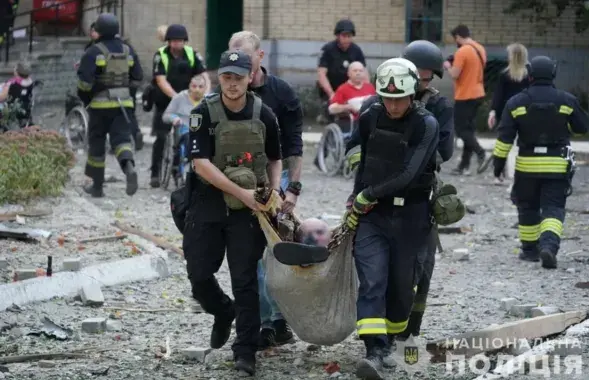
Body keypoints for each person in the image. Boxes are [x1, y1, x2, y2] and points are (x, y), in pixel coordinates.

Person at [183, 49, 283, 376]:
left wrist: (273, 191)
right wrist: (242, 193)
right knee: (199, 275)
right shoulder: (203, 113)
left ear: (249, 77)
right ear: (219, 77)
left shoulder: (264, 114)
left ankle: (245, 352)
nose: (232, 83)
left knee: (244, 280)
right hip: (208, 204)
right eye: (226, 76)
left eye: (238, 77)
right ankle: (223, 311)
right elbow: (200, 163)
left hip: (246, 213)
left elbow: (274, 158)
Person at [345, 57, 439, 379]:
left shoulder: (425, 124)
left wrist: (367, 195)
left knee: (401, 287)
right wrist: (355, 197)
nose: (393, 104)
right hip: (373, 215)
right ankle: (374, 349)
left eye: (400, 98)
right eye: (387, 97)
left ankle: (397, 336)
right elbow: (360, 154)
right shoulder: (370, 115)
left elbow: (408, 174)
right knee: (372, 279)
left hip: (411, 215)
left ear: (412, 94)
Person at [227, 30, 304, 350]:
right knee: (249, 255)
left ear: (260, 57)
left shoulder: (282, 94)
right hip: (236, 181)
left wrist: (292, 190)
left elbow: (294, 145)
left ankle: (276, 319)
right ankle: (264, 320)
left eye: (245, 57)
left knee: (272, 252)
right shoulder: (227, 94)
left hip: (275, 178)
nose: (238, 66)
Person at [492, 55, 588, 269]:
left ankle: (529, 250)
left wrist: (498, 166)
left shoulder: (516, 102)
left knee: (527, 207)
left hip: (527, 167)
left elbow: (504, 138)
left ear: (530, 74)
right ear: (553, 73)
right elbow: (582, 127)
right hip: (557, 166)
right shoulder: (567, 100)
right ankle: (549, 247)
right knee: (553, 208)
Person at [77, 13, 143, 198]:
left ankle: (97, 187)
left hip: (99, 106)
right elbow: (138, 77)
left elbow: (84, 84)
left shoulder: (93, 51)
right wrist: (126, 93)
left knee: (97, 144)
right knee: (121, 140)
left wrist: (86, 99)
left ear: (98, 30)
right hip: (123, 105)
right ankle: (129, 167)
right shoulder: (128, 49)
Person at [150, 24, 209, 188]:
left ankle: (188, 170)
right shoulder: (160, 55)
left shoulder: (193, 54)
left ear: (185, 41)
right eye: (174, 40)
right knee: (161, 137)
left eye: (180, 40)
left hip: (189, 99)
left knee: (192, 136)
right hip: (166, 101)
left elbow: (204, 76)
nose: (177, 43)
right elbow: (161, 80)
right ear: (168, 41)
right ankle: (155, 173)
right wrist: (177, 98)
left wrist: (205, 93)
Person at [444, 24, 488, 175]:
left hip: (465, 95)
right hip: (479, 93)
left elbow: (455, 74)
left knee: (461, 129)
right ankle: (464, 165)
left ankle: (480, 152)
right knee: (468, 130)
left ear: (458, 37)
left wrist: (447, 66)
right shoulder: (480, 48)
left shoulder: (462, 51)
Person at [317, 19, 366, 123]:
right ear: (338, 36)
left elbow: (364, 72)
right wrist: (331, 94)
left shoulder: (356, 50)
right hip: (331, 88)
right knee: (333, 113)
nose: (347, 39)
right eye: (344, 36)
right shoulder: (328, 49)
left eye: (349, 36)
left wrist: (365, 90)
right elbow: (321, 74)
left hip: (349, 88)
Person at [162, 74, 206, 179]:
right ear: (190, 86)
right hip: (183, 130)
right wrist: (175, 118)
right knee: (189, 138)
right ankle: (187, 162)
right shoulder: (180, 98)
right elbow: (166, 115)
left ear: (204, 89)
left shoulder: (207, 101)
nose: (197, 90)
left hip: (202, 132)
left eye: (200, 87)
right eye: (194, 86)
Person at [0, 61, 34, 129]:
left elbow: (1, 97)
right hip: (25, 108)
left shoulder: (12, 84)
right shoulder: (30, 82)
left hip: (11, 110)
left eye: (15, 68)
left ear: (17, 72)